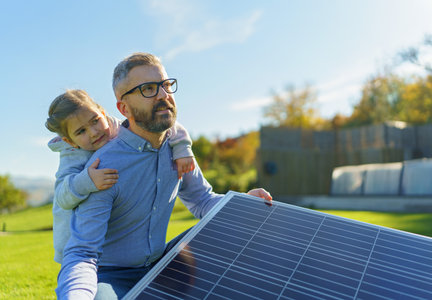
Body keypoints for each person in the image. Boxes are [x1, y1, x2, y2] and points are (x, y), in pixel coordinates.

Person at [56, 52, 272, 299]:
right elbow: (83, 252)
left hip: (163, 265)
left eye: (166, 85)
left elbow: (203, 201)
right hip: (112, 275)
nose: (163, 95)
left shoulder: (177, 149)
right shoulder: (102, 167)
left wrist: (241, 204)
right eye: (148, 88)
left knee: (232, 231)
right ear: (123, 108)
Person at [45, 89, 195, 264]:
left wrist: (182, 148)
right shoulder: (71, 156)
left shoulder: (118, 128)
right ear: (70, 141)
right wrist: (86, 181)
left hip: (115, 235)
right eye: (81, 132)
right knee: (84, 269)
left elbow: (169, 126)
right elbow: (63, 197)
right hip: (75, 241)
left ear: (103, 113)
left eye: (95, 121)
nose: (93, 132)